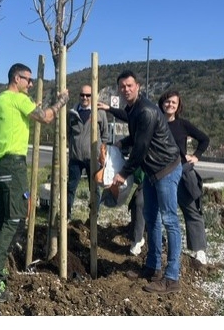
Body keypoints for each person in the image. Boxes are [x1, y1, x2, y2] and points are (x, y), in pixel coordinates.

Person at [0, 63, 68, 303]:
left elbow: (16, 120)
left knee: (2, 217)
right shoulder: (18, 99)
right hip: (14, 165)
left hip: (1, 164)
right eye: (28, 80)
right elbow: (46, 117)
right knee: (14, 219)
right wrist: (61, 102)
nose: (31, 84)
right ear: (16, 78)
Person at [110, 70, 183, 295]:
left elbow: (141, 149)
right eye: (122, 86)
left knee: (170, 220)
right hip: (153, 172)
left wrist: (122, 173)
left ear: (138, 86)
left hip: (166, 169)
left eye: (130, 85)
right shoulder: (133, 110)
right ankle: (152, 267)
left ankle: (172, 277)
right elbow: (139, 137)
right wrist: (122, 142)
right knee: (151, 218)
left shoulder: (147, 111)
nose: (126, 89)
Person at [158, 89, 211, 265]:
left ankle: (199, 251)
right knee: (149, 207)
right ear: (162, 103)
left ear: (178, 105)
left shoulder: (183, 125)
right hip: (160, 173)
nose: (170, 105)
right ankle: (143, 242)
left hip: (181, 173)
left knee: (191, 210)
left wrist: (196, 156)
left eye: (173, 102)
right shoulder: (156, 123)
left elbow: (204, 139)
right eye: (167, 102)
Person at [96, 100, 145, 255]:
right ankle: (139, 237)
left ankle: (139, 239)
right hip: (141, 173)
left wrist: (123, 174)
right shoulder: (138, 125)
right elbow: (128, 118)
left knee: (140, 203)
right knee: (139, 204)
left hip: (156, 174)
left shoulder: (150, 122)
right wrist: (121, 142)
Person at [65, 85, 110, 220]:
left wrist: (102, 152)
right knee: (70, 187)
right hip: (75, 158)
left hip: (93, 159)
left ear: (93, 96)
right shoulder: (72, 113)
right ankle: (66, 216)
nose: (85, 97)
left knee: (94, 189)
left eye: (88, 95)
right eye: (82, 95)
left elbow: (105, 134)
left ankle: (93, 217)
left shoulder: (99, 113)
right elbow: (68, 133)